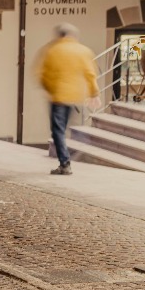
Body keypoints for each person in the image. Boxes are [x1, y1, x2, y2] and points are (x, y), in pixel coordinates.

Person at [35, 23, 99, 176]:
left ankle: (65, 164)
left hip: (58, 96)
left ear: (60, 35)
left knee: (58, 130)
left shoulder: (52, 50)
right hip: (75, 97)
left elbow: (42, 74)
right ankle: (67, 158)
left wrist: (50, 89)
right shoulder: (84, 51)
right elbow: (90, 74)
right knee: (63, 129)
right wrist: (94, 93)